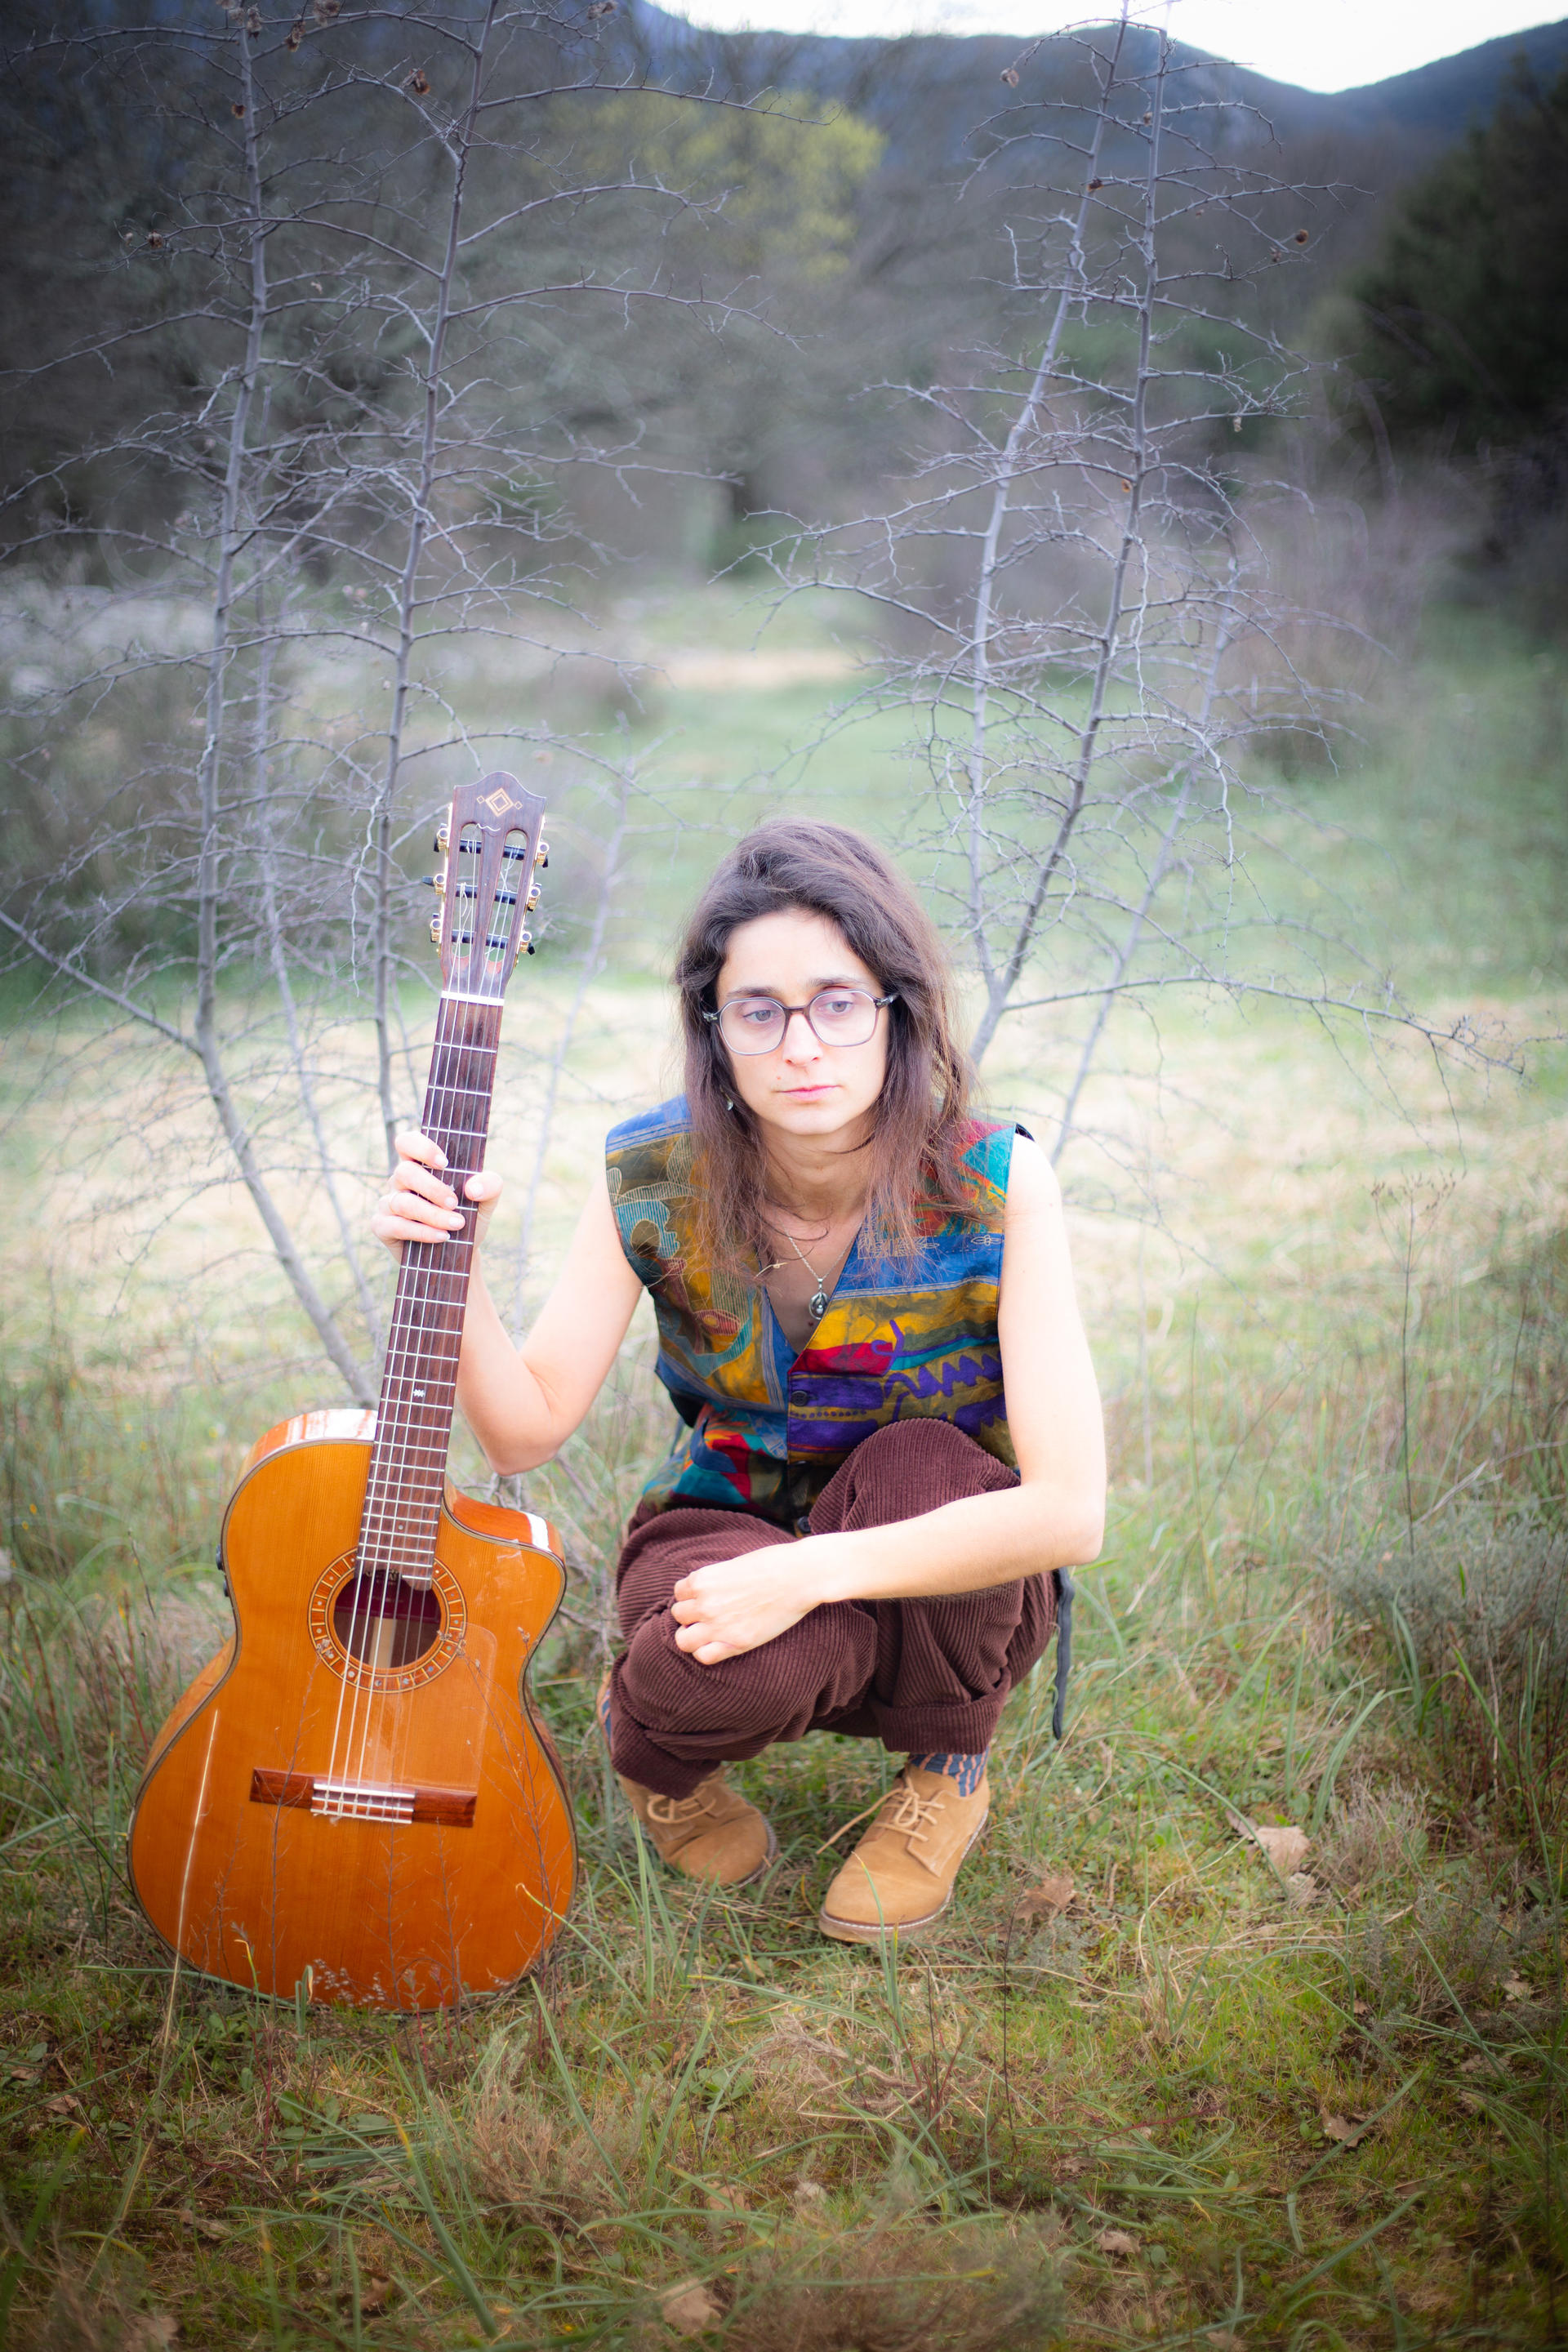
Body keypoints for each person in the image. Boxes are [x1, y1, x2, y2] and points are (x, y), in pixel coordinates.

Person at [373, 821, 1105, 1944]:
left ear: (895, 1009)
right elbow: (523, 1431)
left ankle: (946, 1769)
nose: (801, 1045)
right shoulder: (654, 1178)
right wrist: (448, 1262)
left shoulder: (998, 1184)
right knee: (713, 1673)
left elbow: (1068, 1512)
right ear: (715, 1029)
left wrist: (813, 1577)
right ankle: (662, 1749)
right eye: (758, 1009)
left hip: (936, 1550)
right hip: (723, 1528)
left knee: (921, 1466)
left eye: (838, 1001)